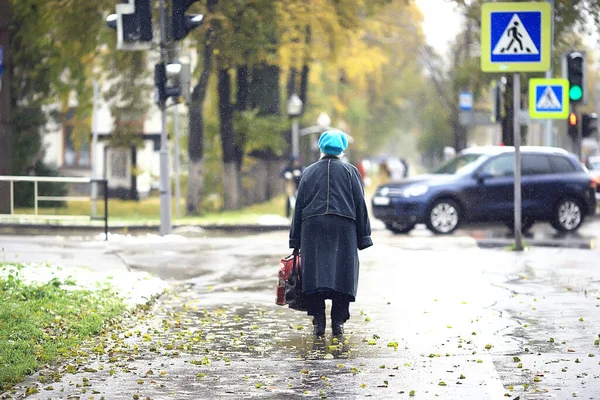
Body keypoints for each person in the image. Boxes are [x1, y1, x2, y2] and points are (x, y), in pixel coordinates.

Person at [289, 131, 373, 337]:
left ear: (321, 148)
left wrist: (295, 239)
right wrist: (364, 237)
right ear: (342, 150)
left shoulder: (308, 173)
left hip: (313, 227)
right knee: (342, 276)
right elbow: (360, 205)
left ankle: (319, 322)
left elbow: (298, 207)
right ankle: (338, 322)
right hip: (344, 228)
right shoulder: (351, 172)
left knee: (314, 275)